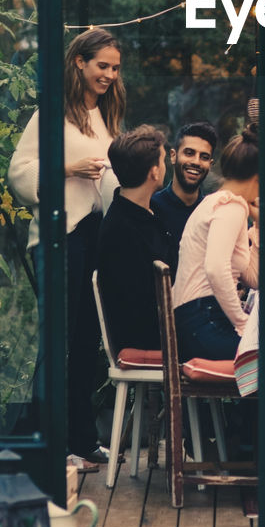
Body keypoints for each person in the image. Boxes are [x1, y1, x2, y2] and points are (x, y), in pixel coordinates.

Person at [8, 26, 125, 469]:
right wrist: (67, 167)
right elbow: (19, 174)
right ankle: (48, 444)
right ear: (80, 62)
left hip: (95, 236)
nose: (109, 75)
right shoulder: (51, 114)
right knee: (59, 341)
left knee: (86, 341)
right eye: (102, 66)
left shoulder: (104, 118)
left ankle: (81, 439)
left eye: (114, 68)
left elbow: (111, 180)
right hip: (60, 236)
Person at [172, 123, 260, 362]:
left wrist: (259, 226)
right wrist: (241, 322)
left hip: (202, 318)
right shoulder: (228, 207)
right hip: (202, 321)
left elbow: (253, 279)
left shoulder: (228, 204)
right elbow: (215, 268)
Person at [96, 125, 176, 355]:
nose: (165, 165)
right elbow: (140, 305)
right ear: (154, 172)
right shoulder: (122, 230)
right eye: (162, 160)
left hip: (161, 328)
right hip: (147, 338)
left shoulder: (146, 213)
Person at [151, 121, 217, 247]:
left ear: (210, 164)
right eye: (189, 153)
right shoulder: (152, 207)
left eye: (204, 157)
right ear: (173, 156)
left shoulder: (212, 214)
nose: (196, 162)